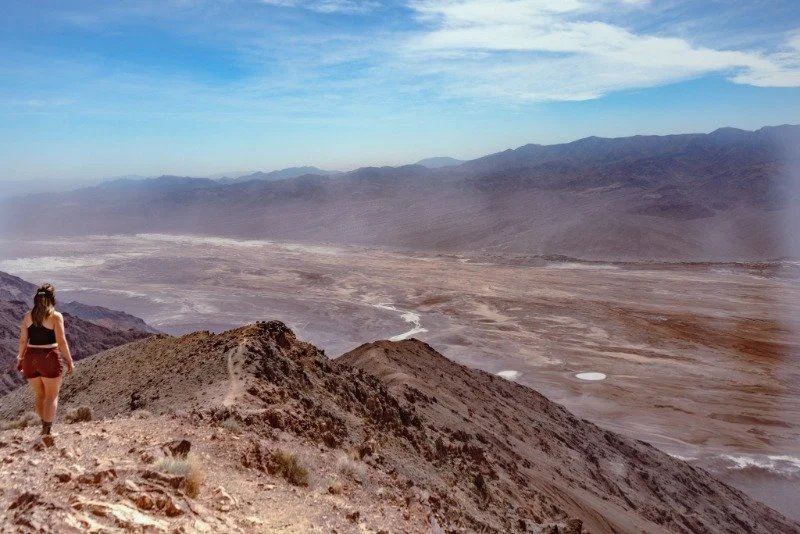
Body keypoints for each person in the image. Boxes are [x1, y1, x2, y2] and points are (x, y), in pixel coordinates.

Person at [16, 283, 74, 441]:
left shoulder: (28, 316)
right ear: (52, 298)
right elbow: (61, 342)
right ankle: (47, 432)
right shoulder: (55, 316)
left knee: (40, 395)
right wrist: (69, 360)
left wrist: (20, 359)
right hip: (49, 358)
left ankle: (43, 428)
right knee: (51, 396)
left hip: (30, 359)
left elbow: (23, 341)